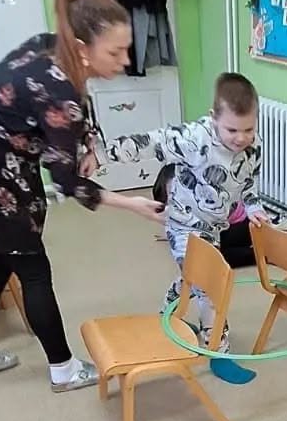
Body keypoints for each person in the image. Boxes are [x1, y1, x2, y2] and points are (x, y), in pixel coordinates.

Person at [0, 0, 163, 390]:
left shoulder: (51, 45)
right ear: (82, 48)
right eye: (114, 52)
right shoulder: (59, 93)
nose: (124, 61)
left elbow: (77, 104)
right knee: (31, 265)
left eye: (127, 49)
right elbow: (66, 180)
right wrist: (132, 204)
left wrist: (88, 141)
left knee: (1, 257)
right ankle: (63, 368)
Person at [104, 72, 267, 353]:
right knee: (209, 285)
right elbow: (151, 142)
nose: (241, 138)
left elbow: (249, 181)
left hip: (215, 227)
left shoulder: (253, 146)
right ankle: (217, 347)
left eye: (248, 129)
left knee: (196, 276)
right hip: (182, 225)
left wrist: (253, 205)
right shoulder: (194, 138)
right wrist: (101, 153)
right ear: (213, 118)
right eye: (231, 130)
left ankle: (171, 302)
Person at [150, 163, 287, 271]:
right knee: (206, 253)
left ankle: (267, 252)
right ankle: (264, 248)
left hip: (242, 224)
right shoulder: (174, 208)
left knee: (212, 254)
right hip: (223, 229)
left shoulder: (209, 199)